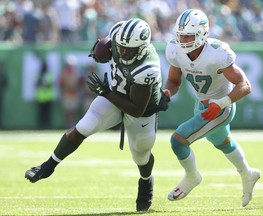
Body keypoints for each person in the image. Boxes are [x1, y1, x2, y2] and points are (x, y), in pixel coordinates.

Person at [25, 18, 170, 212]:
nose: (124, 52)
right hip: (113, 95)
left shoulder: (148, 68)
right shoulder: (119, 33)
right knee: (84, 126)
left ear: (142, 48)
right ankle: (47, 166)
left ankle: (146, 183)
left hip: (140, 110)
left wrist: (106, 92)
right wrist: (100, 48)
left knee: (141, 155)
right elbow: (108, 41)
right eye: (121, 47)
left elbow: (136, 109)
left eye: (130, 49)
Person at [163, 9, 260, 207]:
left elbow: (245, 85)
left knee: (178, 141)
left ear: (201, 33)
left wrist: (222, 103)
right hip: (202, 105)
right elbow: (174, 81)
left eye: (188, 36)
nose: (183, 40)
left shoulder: (216, 53)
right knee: (222, 142)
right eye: (180, 36)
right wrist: (166, 92)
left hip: (221, 107)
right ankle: (247, 174)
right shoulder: (175, 49)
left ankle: (192, 177)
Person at [35, 60, 55, 129]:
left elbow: (50, 84)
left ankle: (47, 125)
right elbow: (36, 85)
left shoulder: (49, 75)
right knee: (41, 113)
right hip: (41, 97)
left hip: (48, 97)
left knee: (47, 113)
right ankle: (41, 125)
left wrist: (44, 84)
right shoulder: (39, 75)